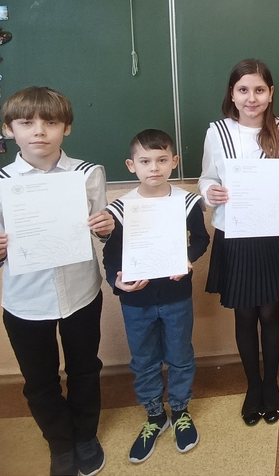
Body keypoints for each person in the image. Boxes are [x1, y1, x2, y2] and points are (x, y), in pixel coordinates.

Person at [0, 87, 113, 476]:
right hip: (25, 301)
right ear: (9, 130)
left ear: (66, 128)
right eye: (26, 123)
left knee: (85, 368)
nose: (39, 131)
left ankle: (85, 436)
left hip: (81, 293)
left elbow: (103, 231)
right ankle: (61, 444)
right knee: (39, 380)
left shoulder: (88, 174)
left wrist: (106, 228)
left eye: (50, 122)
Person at [198, 59, 279, 426]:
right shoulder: (218, 131)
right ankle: (252, 385)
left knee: (270, 312)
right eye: (243, 90)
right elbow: (206, 177)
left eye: (259, 90)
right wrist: (211, 192)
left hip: (272, 231)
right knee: (244, 312)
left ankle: (270, 383)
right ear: (232, 94)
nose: (251, 98)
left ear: (271, 94)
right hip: (235, 232)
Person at [102, 129, 210, 462]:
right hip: (136, 302)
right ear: (131, 165)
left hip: (177, 296)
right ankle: (154, 415)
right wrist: (117, 282)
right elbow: (111, 256)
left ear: (174, 162)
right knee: (144, 360)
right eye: (145, 161)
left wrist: (187, 258)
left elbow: (201, 239)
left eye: (162, 160)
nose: (154, 168)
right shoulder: (120, 209)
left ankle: (179, 410)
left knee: (180, 355)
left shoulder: (187, 202)